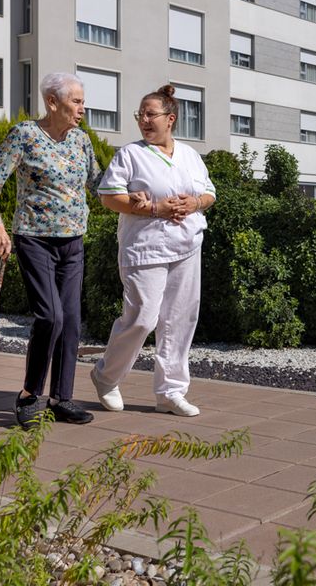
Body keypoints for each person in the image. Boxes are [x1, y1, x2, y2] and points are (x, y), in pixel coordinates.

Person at [0, 72, 101, 429]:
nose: (82, 107)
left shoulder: (81, 140)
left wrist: (134, 193)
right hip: (35, 239)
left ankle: (62, 399)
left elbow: (98, 183)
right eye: (76, 101)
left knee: (73, 321)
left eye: (82, 100)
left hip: (73, 241)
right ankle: (30, 394)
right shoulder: (25, 135)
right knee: (51, 317)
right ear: (52, 102)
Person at [89, 84, 216, 417]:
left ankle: (170, 392)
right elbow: (108, 197)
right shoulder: (130, 155)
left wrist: (195, 202)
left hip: (187, 245)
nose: (143, 120)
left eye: (150, 114)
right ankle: (105, 376)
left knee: (179, 319)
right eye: (140, 115)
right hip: (144, 249)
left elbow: (209, 194)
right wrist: (154, 209)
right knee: (143, 318)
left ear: (170, 119)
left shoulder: (189, 155)